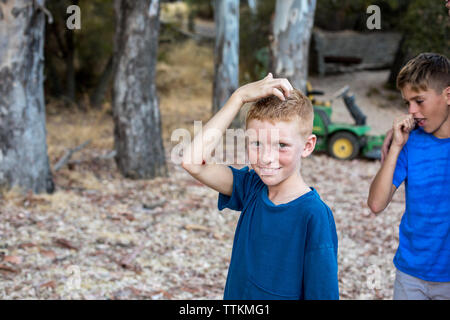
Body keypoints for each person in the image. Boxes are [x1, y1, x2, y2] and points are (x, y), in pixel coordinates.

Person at [181, 73, 339, 300]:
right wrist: (239, 97)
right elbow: (192, 161)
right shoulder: (251, 188)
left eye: (282, 145)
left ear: (307, 146)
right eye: (256, 143)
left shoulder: (314, 215)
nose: (266, 158)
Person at [368, 53, 450, 299]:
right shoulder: (408, 144)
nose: (412, 112)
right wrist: (395, 147)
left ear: (448, 95)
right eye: (407, 103)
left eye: (419, 101)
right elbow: (376, 204)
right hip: (410, 276)